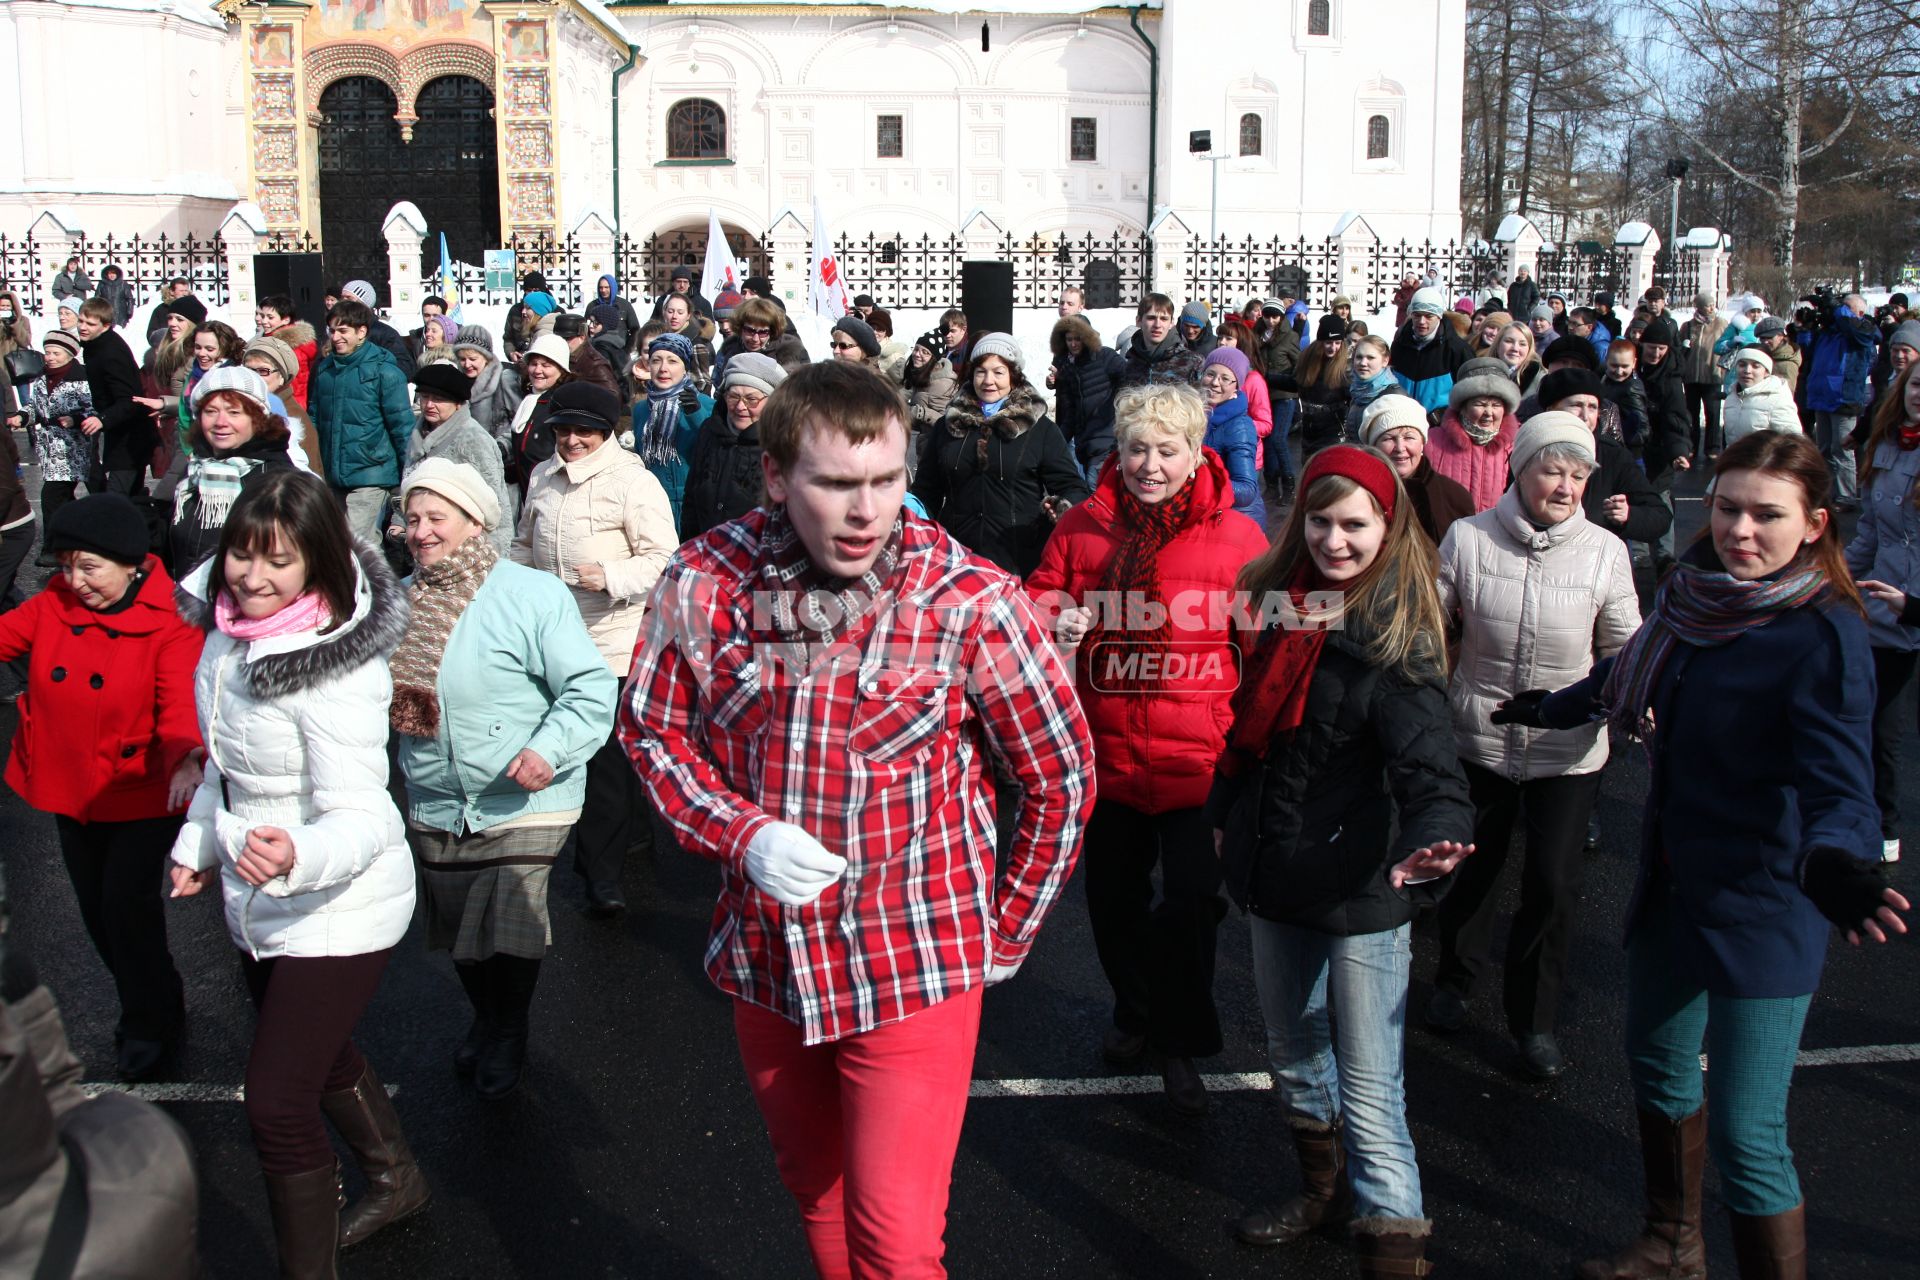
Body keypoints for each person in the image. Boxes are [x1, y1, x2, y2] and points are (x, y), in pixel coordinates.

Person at [619, 357, 1094, 1279]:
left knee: (898, 1242)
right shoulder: (704, 580)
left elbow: (1059, 778)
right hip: (768, 958)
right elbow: (652, 733)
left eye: (885, 481)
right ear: (774, 476)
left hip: (913, 959)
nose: (866, 510)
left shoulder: (972, 600)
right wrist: (739, 833)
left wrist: (1002, 935)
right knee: (817, 1192)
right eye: (836, 484)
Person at [1496, 431, 1908, 1279]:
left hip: (1766, 899)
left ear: (1816, 524)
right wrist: (1558, 704)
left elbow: (1842, 782)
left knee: (1747, 1131)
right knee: (1654, 1062)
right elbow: (1634, 674)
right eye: (1727, 509)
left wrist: (1837, 858)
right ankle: (1673, 1244)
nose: (1741, 531)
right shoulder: (1694, 593)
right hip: (1675, 882)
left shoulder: (1821, 637)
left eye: (1767, 516)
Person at [1210, 445, 1474, 1276]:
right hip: (1275, 866)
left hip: (1362, 882)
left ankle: (1393, 1237)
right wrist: (1224, 819)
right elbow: (1248, 738)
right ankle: (1320, 1193)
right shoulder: (1278, 606)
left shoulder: (1396, 632)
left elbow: (1430, 761)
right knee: (1292, 1056)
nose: (1334, 539)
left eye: (1354, 524)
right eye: (1319, 521)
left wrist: (1436, 829)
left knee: (1370, 1092)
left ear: (1387, 526)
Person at [167, 470, 426, 1276]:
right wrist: (197, 848)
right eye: (242, 554)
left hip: (341, 903)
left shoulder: (335, 666)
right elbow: (228, 770)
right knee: (322, 1057)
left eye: (276, 561)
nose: (251, 576)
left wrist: (298, 854)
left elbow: (369, 816)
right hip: (257, 893)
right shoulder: (228, 635)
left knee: (277, 1105)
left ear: (316, 564)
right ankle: (398, 1179)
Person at [1027, 382, 1267, 1113]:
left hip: (1200, 761)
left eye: (1167, 450)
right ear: (1116, 452)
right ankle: (1135, 1008)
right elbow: (1037, 599)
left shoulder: (1240, 537)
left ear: (1197, 455)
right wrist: (1056, 621)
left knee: (1194, 904)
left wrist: (1258, 754)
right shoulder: (1083, 524)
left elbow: (1262, 653)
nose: (1150, 464)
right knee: (1113, 904)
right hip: (1105, 756)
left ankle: (1177, 1041)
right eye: (1137, 448)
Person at [389, 458, 615, 1101]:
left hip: (526, 794)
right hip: (436, 790)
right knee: (462, 929)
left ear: (475, 521)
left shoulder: (530, 594)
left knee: (508, 919)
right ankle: (487, 1016)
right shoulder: (397, 604)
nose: (422, 532)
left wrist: (550, 749)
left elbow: (588, 689)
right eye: (413, 518)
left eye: (437, 518)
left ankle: (508, 1027)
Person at [1426, 416, 1641, 1080]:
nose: (1567, 486)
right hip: (1479, 734)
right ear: (1519, 468)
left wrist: (1633, 702)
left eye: (1579, 475)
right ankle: (1455, 978)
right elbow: (1432, 626)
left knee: (1552, 884)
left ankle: (1534, 1020)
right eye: (1553, 470)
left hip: (1568, 748)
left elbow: (1624, 647)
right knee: (1470, 869)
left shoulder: (1606, 551)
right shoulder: (1468, 538)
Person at [0, 494, 203, 1080]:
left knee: (126, 907)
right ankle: (151, 998)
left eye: (88, 567)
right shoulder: (53, 603)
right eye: (66, 566)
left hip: (140, 789)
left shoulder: (171, 619)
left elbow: (178, 708)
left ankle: (149, 1019)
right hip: (70, 786)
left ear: (133, 562)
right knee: (96, 913)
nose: (75, 580)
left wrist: (187, 755)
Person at [513, 382, 676, 917]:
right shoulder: (541, 475)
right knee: (586, 752)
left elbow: (663, 559)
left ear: (606, 432)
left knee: (602, 758)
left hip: (612, 638)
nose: (572, 441)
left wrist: (609, 574)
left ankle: (602, 879)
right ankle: (623, 837)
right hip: (549, 636)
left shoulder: (634, 482)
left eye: (585, 431)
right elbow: (522, 542)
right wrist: (509, 586)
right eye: (564, 430)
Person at [911, 332, 1089, 577]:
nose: (988, 380)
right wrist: (916, 528)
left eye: (998, 372)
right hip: (955, 559)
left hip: (1018, 560)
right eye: (981, 371)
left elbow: (1073, 487)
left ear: (1013, 376)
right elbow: (926, 490)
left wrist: (1060, 509)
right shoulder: (949, 425)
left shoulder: (1039, 429)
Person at [1846, 361, 1920, 865]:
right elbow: (1870, 533)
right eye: (1917, 385)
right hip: (1886, 611)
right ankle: (1881, 828)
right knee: (1877, 729)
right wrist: (1834, 578)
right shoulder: (1887, 445)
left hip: (1913, 610)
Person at [165, 367, 302, 577]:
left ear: (257, 418)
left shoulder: (277, 481)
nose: (221, 422)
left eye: (234, 412)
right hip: (189, 600)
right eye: (211, 411)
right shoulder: (194, 471)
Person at [309, 298, 414, 546]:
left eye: (343, 331)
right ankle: (371, 583)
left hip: (371, 472)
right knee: (337, 542)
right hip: (333, 473)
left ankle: (368, 585)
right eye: (332, 331)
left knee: (355, 541)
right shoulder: (326, 370)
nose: (336, 337)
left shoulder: (384, 372)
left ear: (362, 332)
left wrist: (407, 474)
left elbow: (402, 426)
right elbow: (314, 418)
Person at [1535, 368, 1671, 547]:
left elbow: (1660, 516)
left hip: (1594, 563)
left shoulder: (1613, 456)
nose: (1585, 416)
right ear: (1551, 408)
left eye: (1592, 407)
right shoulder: (1531, 450)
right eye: (1576, 405)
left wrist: (1628, 515)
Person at [402, 365, 512, 555]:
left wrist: (496, 553)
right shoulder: (418, 434)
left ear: (458, 404)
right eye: (425, 397)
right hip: (424, 538)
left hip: (467, 545)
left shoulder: (473, 439)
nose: (428, 405)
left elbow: (495, 502)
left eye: (438, 399)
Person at [682, 352, 786, 538]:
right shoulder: (710, 430)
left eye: (751, 399)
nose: (740, 407)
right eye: (733, 397)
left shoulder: (780, 444)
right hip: (705, 552)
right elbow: (691, 499)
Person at [7, 330, 93, 540]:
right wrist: (21, 417)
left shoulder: (82, 379)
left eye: (56, 353)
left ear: (70, 354)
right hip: (50, 448)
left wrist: (76, 419)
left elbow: (94, 408)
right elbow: (34, 407)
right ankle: (72, 536)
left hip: (75, 447)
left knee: (52, 496)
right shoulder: (42, 378)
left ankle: (54, 545)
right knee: (60, 497)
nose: (51, 357)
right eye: (48, 353)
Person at [1361, 393, 1472, 546]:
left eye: (1409, 437)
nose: (1400, 448)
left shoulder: (1454, 496)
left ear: (1422, 444)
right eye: (1388, 438)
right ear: (1374, 447)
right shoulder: (1359, 495)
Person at [631, 331, 712, 536]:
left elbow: (714, 446)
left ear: (685, 367)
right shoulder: (641, 409)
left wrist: (695, 414)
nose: (663, 368)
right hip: (652, 507)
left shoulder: (705, 405)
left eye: (672, 361)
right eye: (656, 360)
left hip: (692, 507)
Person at [1634, 316, 1698, 572]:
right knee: (1634, 498)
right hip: (1634, 445)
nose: (1656, 353)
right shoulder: (1632, 365)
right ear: (1642, 344)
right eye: (1652, 347)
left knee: (1660, 499)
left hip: (1661, 448)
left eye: (1662, 348)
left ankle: (1664, 555)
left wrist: (1679, 451)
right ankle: (1638, 554)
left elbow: (1677, 418)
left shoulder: (1671, 377)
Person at [1803, 292, 1878, 511]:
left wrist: (1838, 308)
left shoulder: (1862, 331)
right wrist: (1806, 327)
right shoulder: (1830, 332)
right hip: (1821, 396)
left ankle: (1846, 496)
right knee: (1824, 449)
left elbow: (1858, 331)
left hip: (1843, 397)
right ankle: (1825, 493)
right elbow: (1808, 350)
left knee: (1842, 449)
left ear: (1859, 312)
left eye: (1846, 307)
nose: (1839, 312)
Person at [75, 299, 157, 499]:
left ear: (105, 325)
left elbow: (129, 399)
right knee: (131, 497)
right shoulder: (95, 346)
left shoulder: (110, 352)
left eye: (90, 324)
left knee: (116, 498)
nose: (83, 327)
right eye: (81, 321)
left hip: (131, 436)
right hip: (121, 431)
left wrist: (102, 419)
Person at [1425, 357, 1521, 512]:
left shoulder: (1518, 446)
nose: (1489, 413)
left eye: (1496, 405)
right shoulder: (1431, 441)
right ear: (1462, 407)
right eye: (1480, 404)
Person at [1050, 314, 1130, 484]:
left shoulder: (1105, 356)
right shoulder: (1071, 367)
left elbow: (1130, 379)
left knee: (1095, 494)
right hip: (1084, 446)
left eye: (1077, 339)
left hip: (1106, 443)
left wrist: (1116, 410)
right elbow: (1071, 412)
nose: (1073, 344)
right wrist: (1056, 441)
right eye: (1069, 339)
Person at [1197, 347, 1265, 526]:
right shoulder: (1195, 415)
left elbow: (1246, 490)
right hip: (1210, 513)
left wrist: (1197, 481)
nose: (1215, 383)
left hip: (1236, 520)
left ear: (1237, 386)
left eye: (1225, 378)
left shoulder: (1239, 427)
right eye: (1210, 374)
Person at [240, 337, 323, 476]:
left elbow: (310, 473)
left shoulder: (292, 416)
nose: (254, 377)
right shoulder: (241, 409)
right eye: (249, 370)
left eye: (263, 371)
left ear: (281, 377)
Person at [503, 331, 572, 496]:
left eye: (546, 365)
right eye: (533, 364)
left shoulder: (562, 404)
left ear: (561, 369)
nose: (537, 370)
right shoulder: (530, 399)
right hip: (528, 495)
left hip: (552, 495)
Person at [1389, 287, 1475, 414]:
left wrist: (1441, 416)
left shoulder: (1458, 349)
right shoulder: (1400, 344)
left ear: (1439, 316)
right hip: (1401, 421)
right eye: (1417, 315)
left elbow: (1469, 395)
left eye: (1429, 316)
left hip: (1439, 428)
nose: (1422, 321)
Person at [1284, 315, 1354, 457]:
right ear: (1320, 341)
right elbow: (1295, 383)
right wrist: (1265, 377)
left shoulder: (1346, 366)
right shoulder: (1308, 359)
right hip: (1310, 429)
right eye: (1328, 342)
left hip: (1334, 431)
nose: (1333, 347)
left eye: (1337, 342)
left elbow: (1353, 395)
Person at [1679, 293, 1728, 461]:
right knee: (1691, 413)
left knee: (1713, 413)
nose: (1711, 308)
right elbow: (1680, 349)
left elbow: (1727, 346)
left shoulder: (1720, 324)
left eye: (1713, 304)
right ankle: (1691, 445)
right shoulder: (1688, 326)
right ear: (1698, 307)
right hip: (1691, 376)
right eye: (1707, 305)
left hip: (1712, 374)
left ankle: (1712, 447)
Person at [450, 327, 522, 441]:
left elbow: (520, 422)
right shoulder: (455, 381)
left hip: (497, 454)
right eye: (462, 359)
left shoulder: (504, 379)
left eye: (473, 359)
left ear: (486, 357)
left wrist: (500, 448)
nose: (467, 364)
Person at [1721, 346, 1802, 446]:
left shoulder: (1777, 399)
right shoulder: (1732, 397)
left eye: (1756, 366)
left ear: (1766, 371)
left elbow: (1794, 442)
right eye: (1742, 365)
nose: (1747, 370)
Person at [1121, 294, 1203, 387]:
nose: (1157, 325)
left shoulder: (1192, 363)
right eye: (1151, 318)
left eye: (1164, 319)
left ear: (1172, 323)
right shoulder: (1130, 364)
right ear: (1139, 320)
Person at [717, 297, 810, 377]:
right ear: (740, 328)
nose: (755, 339)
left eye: (763, 332)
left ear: (772, 331)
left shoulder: (790, 351)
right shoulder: (730, 350)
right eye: (750, 331)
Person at [902, 330, 959, 463]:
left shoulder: (943, 384)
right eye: (916, 349)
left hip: (939, 453)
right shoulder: (923, 377)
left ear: (935, 358)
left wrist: (920, 413)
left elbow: (949, 422)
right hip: (926, 449)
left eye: (925, 352)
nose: (917, 354)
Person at [256, 294, 318, 405]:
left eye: (270, 317)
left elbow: (293, 384)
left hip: (289, 404)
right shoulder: (268, 340)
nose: (264, 321)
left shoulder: (291, 348)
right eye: (262, 316)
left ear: (285, 320)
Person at [659, 293, 715, 392]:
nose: (674, 316)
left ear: (688, 315)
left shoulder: (696, 343)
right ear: (664, 313)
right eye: (670, 311)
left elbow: (703, 383)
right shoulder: (660, 340)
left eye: (680, 312)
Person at [648, 264, 714, 323]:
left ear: (689, 284)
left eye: (685, 282)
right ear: (673, 283)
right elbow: (653, 325)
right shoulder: (662, 301)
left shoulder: (702, 303)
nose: (682, 285)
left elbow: (709, 330)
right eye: (679, 282)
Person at [1493, 323, 1543, 395]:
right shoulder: (1482, 373)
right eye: (1509, 341)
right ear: (1497, 344)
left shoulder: (1539, 380)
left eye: (1522, 344)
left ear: (1529, 349)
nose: (1515, 348)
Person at [592, 273, 642, 339]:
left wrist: (629, 346)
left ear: (612, 287)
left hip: (620, 347)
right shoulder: (592, 306)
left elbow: (635, 329)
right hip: (598, 346)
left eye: (606, 287)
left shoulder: (625, 305)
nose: (603, 290)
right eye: (601, 288)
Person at [95, 263, 134, 329]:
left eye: (113, 273)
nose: (112, 275)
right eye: (109, 273)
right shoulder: (102, 284)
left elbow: (130, 298)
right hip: (106, 312)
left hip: (121, 313)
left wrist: (129, 310)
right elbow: (97, 298)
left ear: (117, 274)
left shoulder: (123, 284)